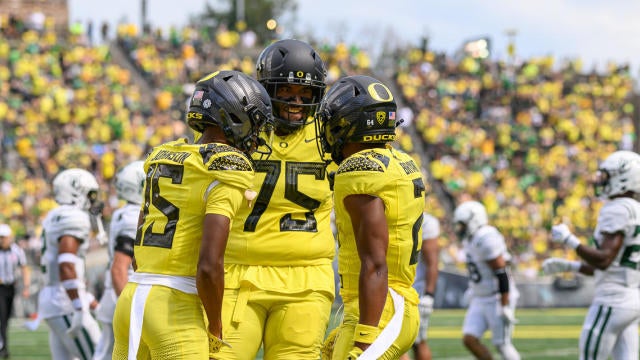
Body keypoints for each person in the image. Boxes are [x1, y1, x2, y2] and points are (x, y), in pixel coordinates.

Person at [112, 70, 273, 359]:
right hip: (175, 309)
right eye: (255, 122)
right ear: (234, 118)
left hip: (132, 297)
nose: (256, 133)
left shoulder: (164, 155)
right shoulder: (226, 166)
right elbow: (209, 265)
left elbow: (138, 250)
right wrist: (216, 326)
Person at [216, 39, 335, 360]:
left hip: (307, 276)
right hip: (238, 273)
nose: (297, 102)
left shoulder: (331, 136)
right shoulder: (240, 128)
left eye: (305, 94)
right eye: (286, 93)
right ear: (266, 89)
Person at [318, 75, 424, 359]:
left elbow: (375, 263)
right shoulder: (402, 161)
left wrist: (366, 337)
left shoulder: (359, 169)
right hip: (393, 302)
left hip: (380, 308)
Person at [542, 150, 640, 360]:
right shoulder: (635, 209)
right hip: (631, 298)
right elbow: (613, 264)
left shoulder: (617, 209)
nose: (601, 180)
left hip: (612, 300)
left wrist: (570, 240)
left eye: (607, 176)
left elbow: (604, 260)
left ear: (623, 177)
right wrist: (570, 266)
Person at [38, 168, 103, 360]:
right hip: (64, 301)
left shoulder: (55, 215)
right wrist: (78, 306)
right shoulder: (73, 217)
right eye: (90, 194)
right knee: (99, 356)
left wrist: (90, 302)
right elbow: (66, 265)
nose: (92, 200)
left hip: (55, 298)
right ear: (76, 191)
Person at [453, 200, 520, 360]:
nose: (460, 228)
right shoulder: (471, 238)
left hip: (496, 297)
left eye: (462, 224)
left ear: (474, 220)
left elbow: (501, 272)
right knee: (469, 339)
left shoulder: (486, 237)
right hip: (480, 297)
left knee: (502, 344)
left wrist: (504, 305)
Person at [93, 160, 145, 360]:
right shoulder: (133, 216)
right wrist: (129, 308)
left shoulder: (122, 213)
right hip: (122, 291)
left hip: (114, 292)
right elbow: (119, 268)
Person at [400, 213, 440, 360]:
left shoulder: (427, 222)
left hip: (414, 289)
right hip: (396, 285)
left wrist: (429, 294)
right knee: (411, 341)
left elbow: (432, 263)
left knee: (415, 341)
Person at [0, 224, 30, 358]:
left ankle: (4, 346)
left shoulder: (16, 251)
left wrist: (26, 286)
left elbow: (24, 267)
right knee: (1, 317)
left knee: (6, 318)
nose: (1, 240)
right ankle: (3, 347)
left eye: (3, 237)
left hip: (10, 287)